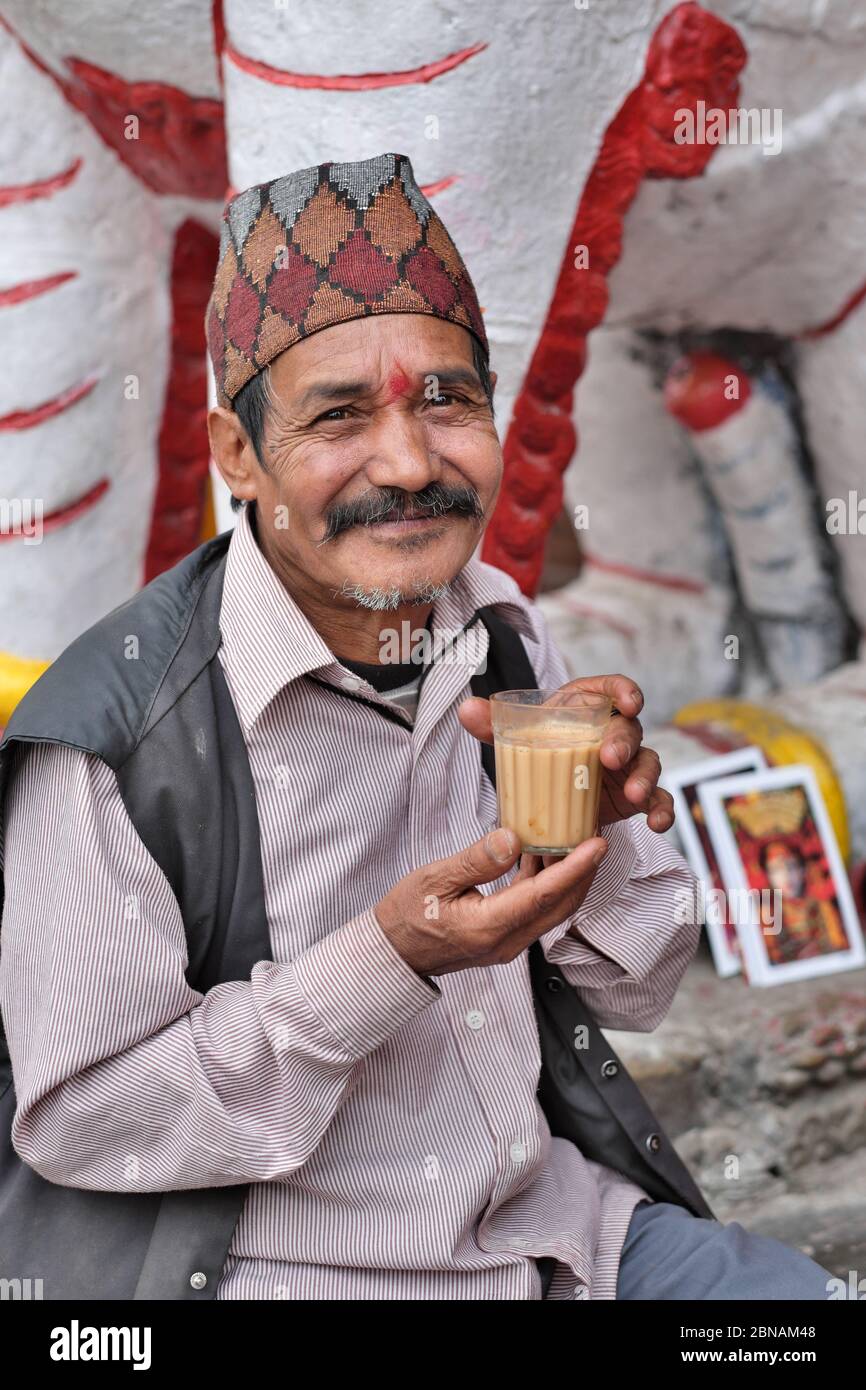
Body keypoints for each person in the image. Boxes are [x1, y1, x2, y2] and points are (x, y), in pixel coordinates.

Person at [0, 153, 835, 1300]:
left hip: (559, 1246)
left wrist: (591, 852)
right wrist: (384, 962)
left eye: (446, 399)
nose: (406, 463)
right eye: (337, 415)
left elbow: (636, 992)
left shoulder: (495, 633)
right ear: (238, 454)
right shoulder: (117, 742)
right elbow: (84, 1121)